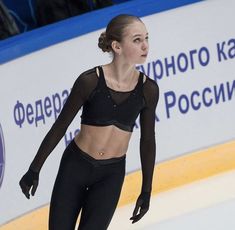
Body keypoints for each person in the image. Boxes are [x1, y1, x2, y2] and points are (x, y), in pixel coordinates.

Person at [19, 14, 159, 230]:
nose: (145, 45)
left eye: (146, 38)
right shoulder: (90, 81)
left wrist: (147, 190)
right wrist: (34, 169)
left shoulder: (148, 89)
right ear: (117, 46)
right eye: (137, 40)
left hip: (110, 176)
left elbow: (147, 140)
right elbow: (60, 126)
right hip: (75, 167)